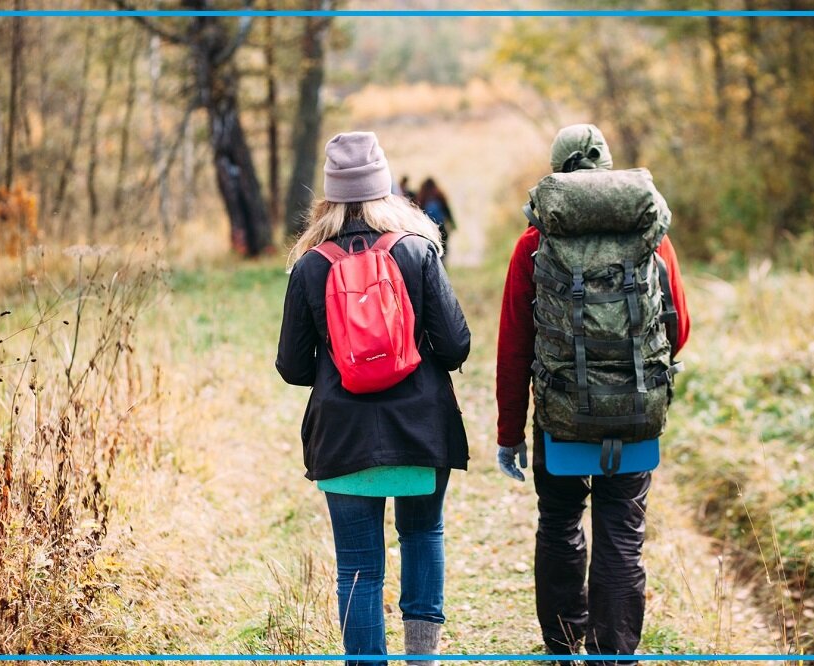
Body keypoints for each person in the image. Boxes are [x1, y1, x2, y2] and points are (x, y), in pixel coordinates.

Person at [495, 124, 691, 665]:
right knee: (622, 528)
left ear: (557, 172)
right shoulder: (651, 236)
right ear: (607, 170)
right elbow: (680, 327)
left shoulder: (535, 242)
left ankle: (562, 643)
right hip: (632, 407)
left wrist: (509, 433)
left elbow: (515, 346)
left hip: (560, 409)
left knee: (558, 521)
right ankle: (615, 652)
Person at [276, 131, 471, 666]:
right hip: (421, 430)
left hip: (343, 437)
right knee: (422, 533)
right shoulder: (418, 250)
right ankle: (423, 658)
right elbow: (456, 344)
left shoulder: (310, 265)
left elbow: (292, 367)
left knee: (358, 567)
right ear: (385, 187)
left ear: (330, 195)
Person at [416, 178, 456, 257]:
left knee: (431, 250)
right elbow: (447, 211)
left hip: (427, 229)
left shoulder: (423, 197)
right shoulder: (439, 196)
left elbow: (418, 212)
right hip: (441, 228)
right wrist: (453, 224)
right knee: (443, 250)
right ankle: (442, 266)